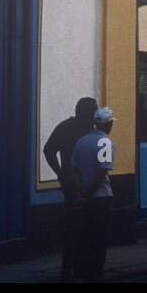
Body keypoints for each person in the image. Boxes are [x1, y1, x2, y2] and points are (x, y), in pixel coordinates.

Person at [43, 97, 98, 281]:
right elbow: (49, 150)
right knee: (76, 230)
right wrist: (60, 173)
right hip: (77, 186)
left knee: (79, 230)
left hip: (81, 185)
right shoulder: (74, 128)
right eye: (93, 112)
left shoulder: (71, 127)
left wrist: (60, 173)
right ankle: (72, 271)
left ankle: (76, 270)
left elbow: (48, 150)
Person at [69, 105, 115, 282]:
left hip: (84, 197)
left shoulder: (82, 141)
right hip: (101, 198)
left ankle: (81, 272)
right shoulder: (105, 143)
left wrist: (81, 191)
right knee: (99, 239)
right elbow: (101, 173)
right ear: (109, 124)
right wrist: (86, 194)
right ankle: (94, 274)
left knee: (84, 236)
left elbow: (72, 169)